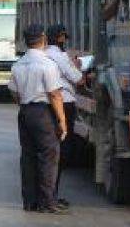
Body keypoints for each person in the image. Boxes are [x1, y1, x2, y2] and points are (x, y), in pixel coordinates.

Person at [8, 24, 68, 214]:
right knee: (48, 157)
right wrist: (62, 121)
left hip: (25, 112)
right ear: (43, 39)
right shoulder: (46, 64)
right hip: (43, 112)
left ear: (26, 41)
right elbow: (55, 95)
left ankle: (30, 202)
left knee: (28, 157)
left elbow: (14, 92)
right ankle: (47, 202)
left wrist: (25, 106)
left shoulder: (18, 64)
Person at [45, 24, 84, 207]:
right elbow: (78, 78)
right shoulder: (59, 56)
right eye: (64, 38)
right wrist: (77, 67)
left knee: (49, 149)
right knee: (62, 151)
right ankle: (52, 195)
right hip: (64, 103)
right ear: (60, 38)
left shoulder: (43, 54)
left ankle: (47, 194)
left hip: (45, 105)